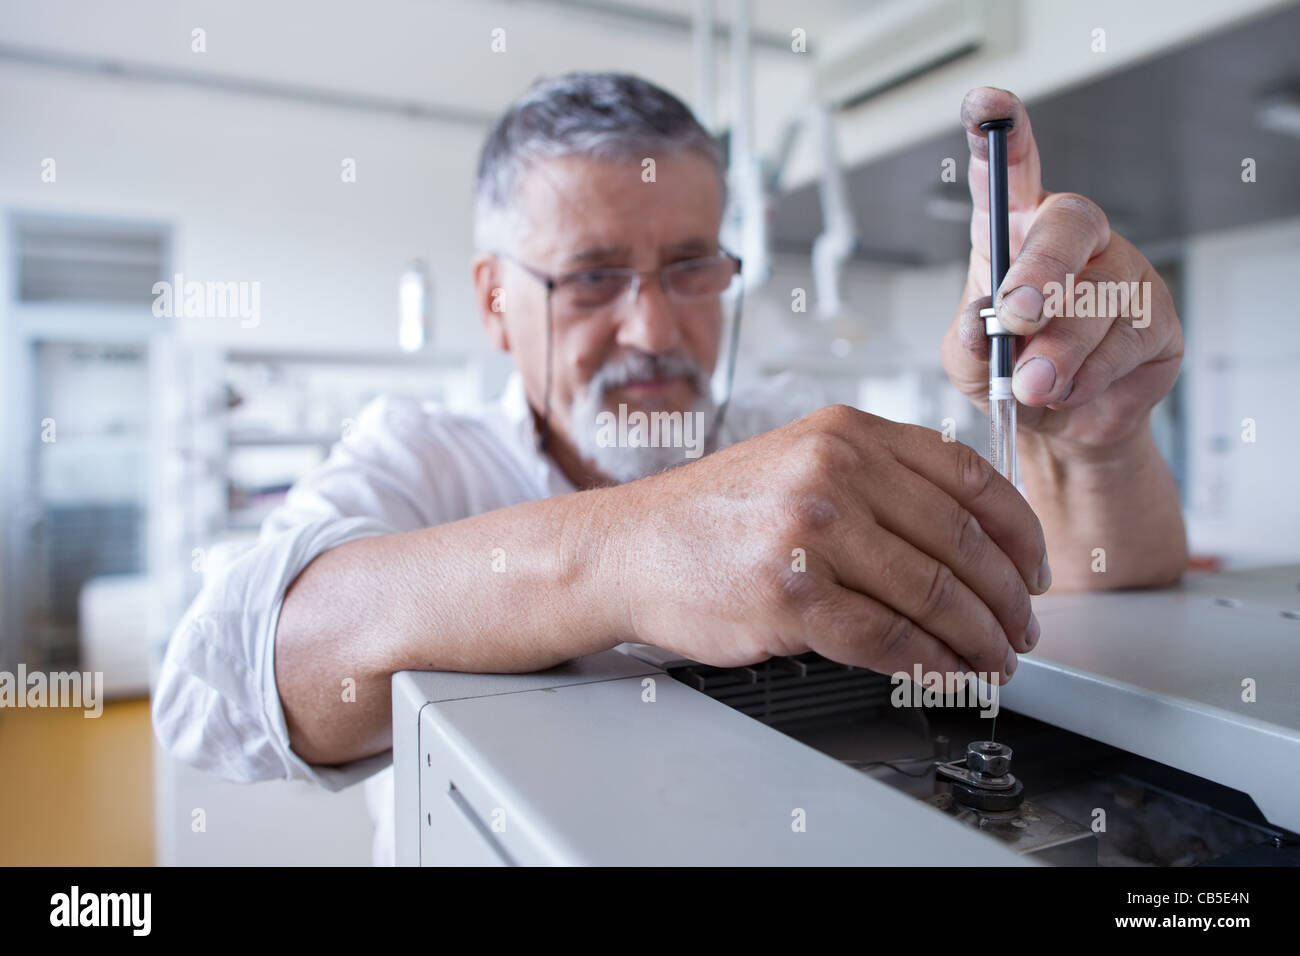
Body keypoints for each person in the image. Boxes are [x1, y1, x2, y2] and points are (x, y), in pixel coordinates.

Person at [152, 72, 1187, 865]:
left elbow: (1089, 589)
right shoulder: (422, 455)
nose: (653, 325)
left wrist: (1086, 436)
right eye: (592, 277)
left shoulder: (791, 435)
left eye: (692, 266)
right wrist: (634, 543)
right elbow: (218, 687)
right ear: (491, 301)